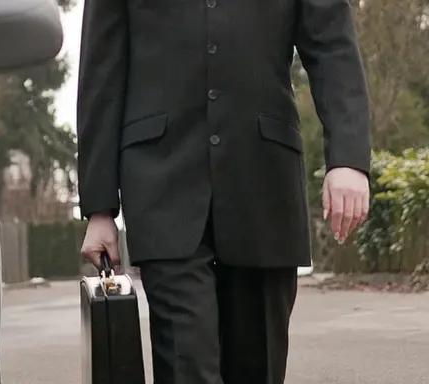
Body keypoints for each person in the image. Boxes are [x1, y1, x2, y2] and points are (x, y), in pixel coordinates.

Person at [76, 0, 371, 383]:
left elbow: (333, 45)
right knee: (188, 366)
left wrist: (347, 159)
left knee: (257, 365)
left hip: (265, 183)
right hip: (161, 186)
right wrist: (100, 209)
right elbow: (102, 72)